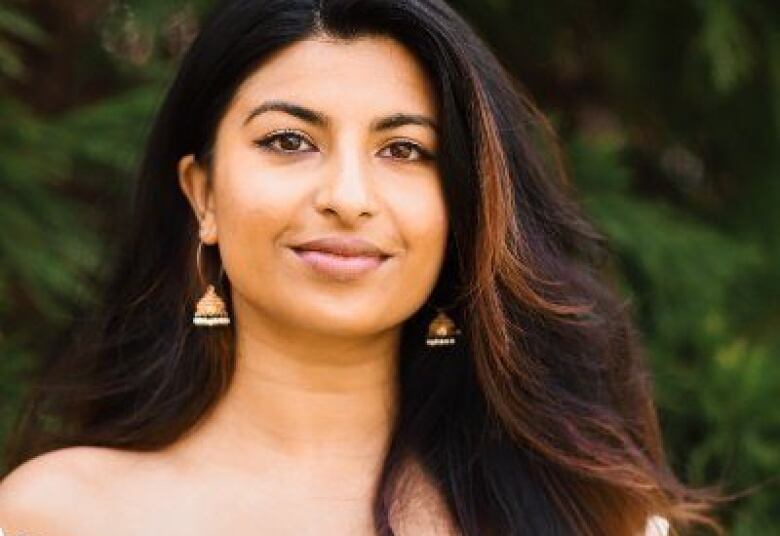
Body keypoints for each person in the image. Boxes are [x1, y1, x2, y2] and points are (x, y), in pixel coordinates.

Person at [0, 0, 726, 534]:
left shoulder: (582, 515)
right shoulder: (57, 514)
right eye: (289, 141)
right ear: (204, 194)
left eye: (404, 150)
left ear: (464, 208)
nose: (347, 198)